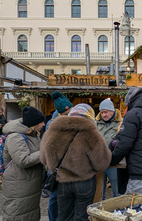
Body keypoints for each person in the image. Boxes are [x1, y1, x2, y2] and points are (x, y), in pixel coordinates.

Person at [40, 103, 111, 221]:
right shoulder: (91, 133)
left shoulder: (53, 131)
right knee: (82, 217)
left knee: (63, 216)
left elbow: (43, 159)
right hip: (84, 182)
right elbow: (102, 163)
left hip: (62, 182)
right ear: (90, 116)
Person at [2, 106, 45, 221]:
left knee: (29, 214)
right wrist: (45, 152)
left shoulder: (33, 135)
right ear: (33, 123)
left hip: (28, 185)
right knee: (17, 215)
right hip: (18, 186)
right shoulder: (15, 136)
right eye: (41, 122)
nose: (43, 124)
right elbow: (23, 160)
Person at [45, 91, 73, 221]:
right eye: (68, 113)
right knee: (55, 195)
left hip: (63, 165)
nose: (71, 114)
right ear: (61, 113)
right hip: (56, 165)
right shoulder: (52, 124)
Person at [96, 98, 122, 199]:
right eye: (101, 112)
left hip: (114, 163)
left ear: (112, 111)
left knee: (117, 192)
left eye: (105, 112)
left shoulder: (121, 123)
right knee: (99, 192)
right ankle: (100, 213)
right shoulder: (96, 123)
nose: (103, 115)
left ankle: (119, 213)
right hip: (99, 163)